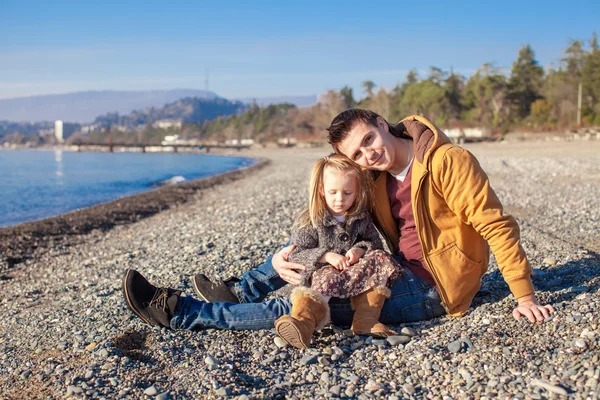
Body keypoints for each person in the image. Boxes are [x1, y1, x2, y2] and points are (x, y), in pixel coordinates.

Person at [123, 110, 554, 332]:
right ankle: (239, 289)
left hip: (431, 289)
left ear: (383, 124)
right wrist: (281, 261)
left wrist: (524, 296)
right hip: (391, 267)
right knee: (306, 248)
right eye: (357, 153)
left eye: (370, 140)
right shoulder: (374, 175)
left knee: (300, 301)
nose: (369, 154)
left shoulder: (447, 161)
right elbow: (331, 218)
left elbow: (497, 225)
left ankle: (182, 313)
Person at [275, 154, 403, 349]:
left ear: (357, 192)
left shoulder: (361, 217)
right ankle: (304, 323)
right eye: (333, 192)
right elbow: (296, 254)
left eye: (347, 193)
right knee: (325, 278)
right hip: (322, 278)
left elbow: (374, 243)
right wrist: (325, 256)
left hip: (353, 274)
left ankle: (365, 319)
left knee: (380, 258)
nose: (340, 199)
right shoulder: (311, 220)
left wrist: (359, 250)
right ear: (321, 190)